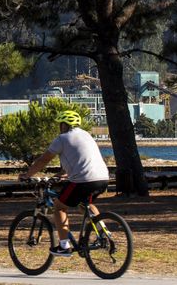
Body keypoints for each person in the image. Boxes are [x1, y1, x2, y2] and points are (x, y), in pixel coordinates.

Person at [19, 110, 110, 257]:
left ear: (64, 125)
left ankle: (63, 246)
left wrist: (27, 175)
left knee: (59, 207)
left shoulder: (62, 138)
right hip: (103, 178)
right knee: (84, 204)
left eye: (60, 124)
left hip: (83, 181)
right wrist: (61, 175)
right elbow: (81, 161)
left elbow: (43, 160)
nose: (59, 128)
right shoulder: (86, 135)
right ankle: (104, 233)